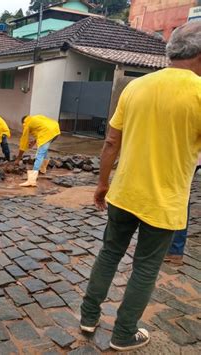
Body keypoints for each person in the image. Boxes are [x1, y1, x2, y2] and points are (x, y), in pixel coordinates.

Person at [80, 22, 201, 352]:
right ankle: (123, 334)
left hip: (124, 194)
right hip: (164, 202)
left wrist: (102, 184)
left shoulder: (135, 87)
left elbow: (110, 143)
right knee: (145, 268)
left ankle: (88, 317)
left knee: (109, 253)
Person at [165, 157, 200, 265]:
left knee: (177, 194)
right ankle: (175, 249)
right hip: (192, 154)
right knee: (181, 194)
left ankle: (174, 249)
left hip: (185, 153)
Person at [15, 114, 60, 187]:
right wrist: (34, 141)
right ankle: (43, 169)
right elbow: (43, 129)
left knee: (39, 155)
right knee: (44, 150)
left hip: (47, 133)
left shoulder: (27, 124)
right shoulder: (36, 118)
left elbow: (23, 142)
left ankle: (31, 181)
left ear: (23, 122)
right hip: (56, 130)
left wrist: (18, 158)